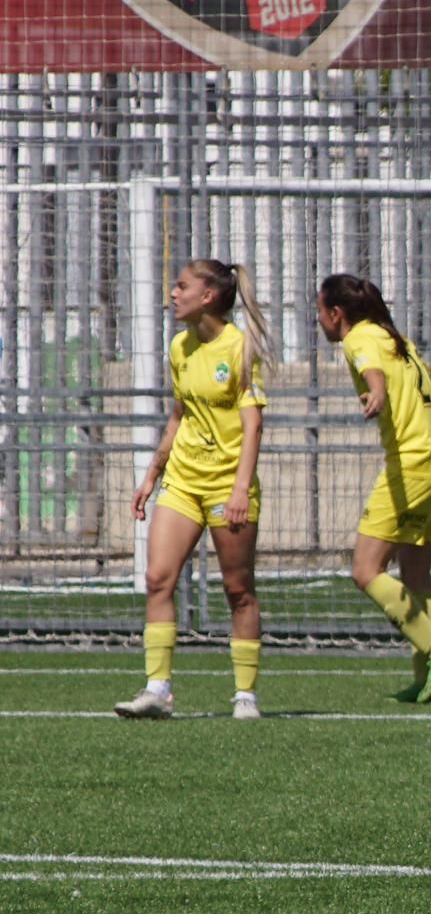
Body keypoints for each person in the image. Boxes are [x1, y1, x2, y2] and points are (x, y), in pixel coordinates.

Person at [116, 259, 275, 721]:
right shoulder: (179, 347)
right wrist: (153, 473)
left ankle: (245, 695)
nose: (173, 292)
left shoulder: (240, 347)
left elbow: (254, 423)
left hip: (228, 483)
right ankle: (157, 690)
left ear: (207, 296)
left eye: (182, 286)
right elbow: (179, 414)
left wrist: (241, 487)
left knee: (237, 588)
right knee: (157, 578)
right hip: (183, 481)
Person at [317, 274, 431, 704]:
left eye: (319, 312)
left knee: (366, 570)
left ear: (336, 314)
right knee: (417, 575)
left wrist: (376, 394)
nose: (320, 321)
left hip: (413, 462)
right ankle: (430, 680)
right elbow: (427, 372)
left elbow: (373, 372)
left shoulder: (360, 338)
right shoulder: (392, 335)